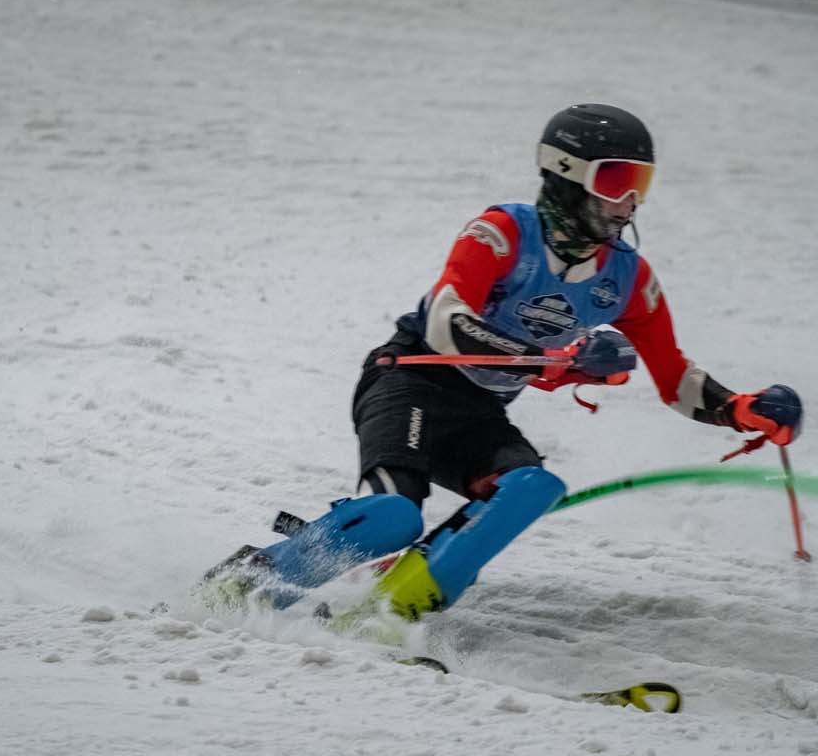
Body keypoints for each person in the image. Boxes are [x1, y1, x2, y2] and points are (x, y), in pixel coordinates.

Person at [207, 104, 802, 620]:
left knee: (530, 486)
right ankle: (244, 588)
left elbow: (675, 379)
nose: (629, 202)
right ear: (567, 175)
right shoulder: (501, 233)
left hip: (478, 410)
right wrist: (548, 360)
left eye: (639, 184)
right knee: (392, 516)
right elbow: (446, 322)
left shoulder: (626, 278)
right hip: (410, 380)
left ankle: (392, 608)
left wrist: (739, 409)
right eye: (616, 179)